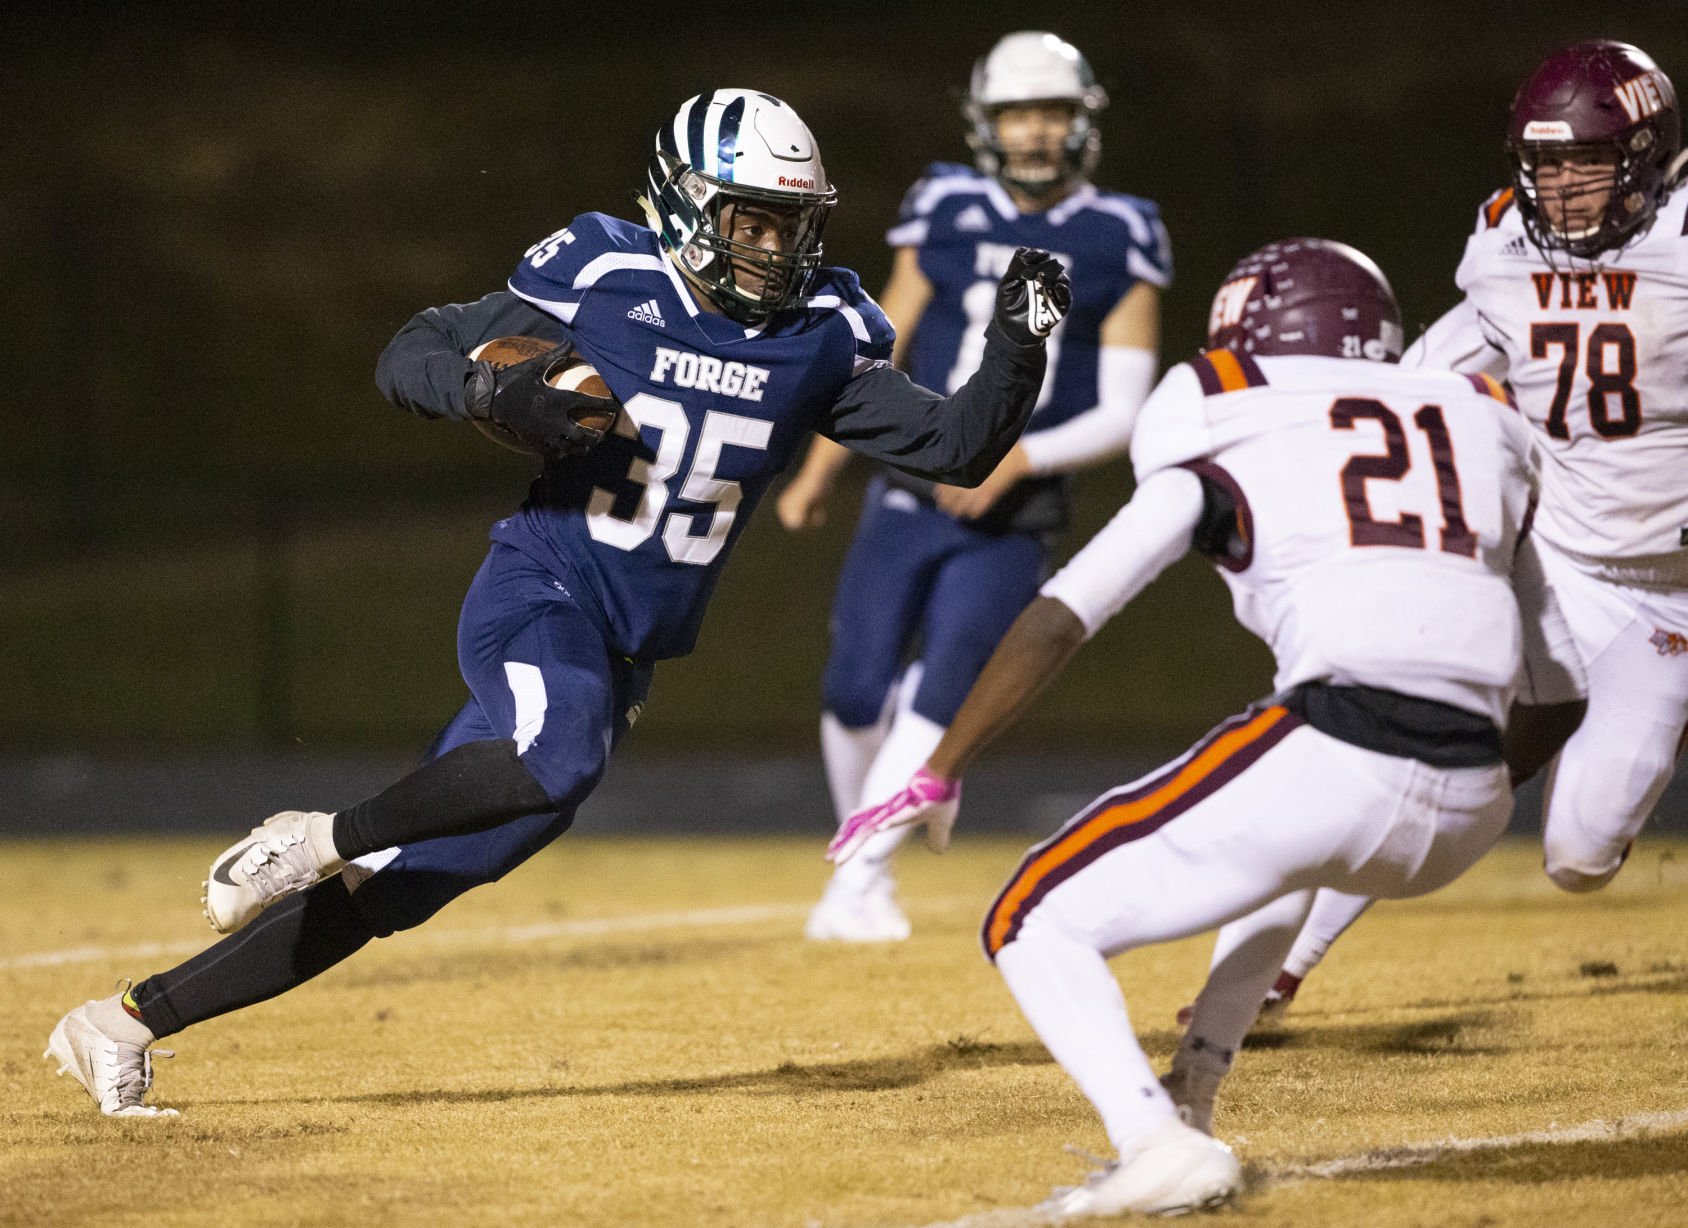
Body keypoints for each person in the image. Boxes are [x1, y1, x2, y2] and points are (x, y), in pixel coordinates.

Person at [42, 88, 1072, 1118]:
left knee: (412, 881)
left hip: (624, 647)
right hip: (541, 587)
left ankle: (120, 1022)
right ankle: (308, 837)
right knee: (555, 756)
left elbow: (952, 444)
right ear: (684, 204)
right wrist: (496, 395)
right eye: (748, 218)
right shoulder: (604, 273)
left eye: (789, 222)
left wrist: (1020, 348)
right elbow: (411, 352)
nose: (771, 245)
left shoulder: (818, 332)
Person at [826, 238, 1555, 1216]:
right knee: (1286, 837)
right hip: (1473, 788)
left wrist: (940, 767)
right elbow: (1556, 678)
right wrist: (1481, 778)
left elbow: (1065, 609)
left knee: (1030, 916)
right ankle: (1193, 1096)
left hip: (1346, 742)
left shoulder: (1227, 411)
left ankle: (1151, 1140)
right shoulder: (1482, 423)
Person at [1221, 39, 1688, 1025]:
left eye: (1584, 165)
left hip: (1666, 592)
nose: (1557, 191)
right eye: (1542, 165)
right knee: (1414, 748)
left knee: (1576, 859)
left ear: (1645, 157)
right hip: (1550, 559)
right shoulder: (1502, 241)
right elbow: (1454, 354)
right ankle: (1279, 967)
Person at [778, 32, 1169, 942]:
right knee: (851, 687)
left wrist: (1016, 459)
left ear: (1082, 121)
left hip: (1017, 508)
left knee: (940, 687)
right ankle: (868, 844)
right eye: (1017, 114)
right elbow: (880, 342)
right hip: (910, 484)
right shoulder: (946, 203)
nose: (1034, 133)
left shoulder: (1121, 230)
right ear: (985, 123)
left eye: (1052, 113)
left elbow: (1125, 404)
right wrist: (820, 467)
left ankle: (859, 876)